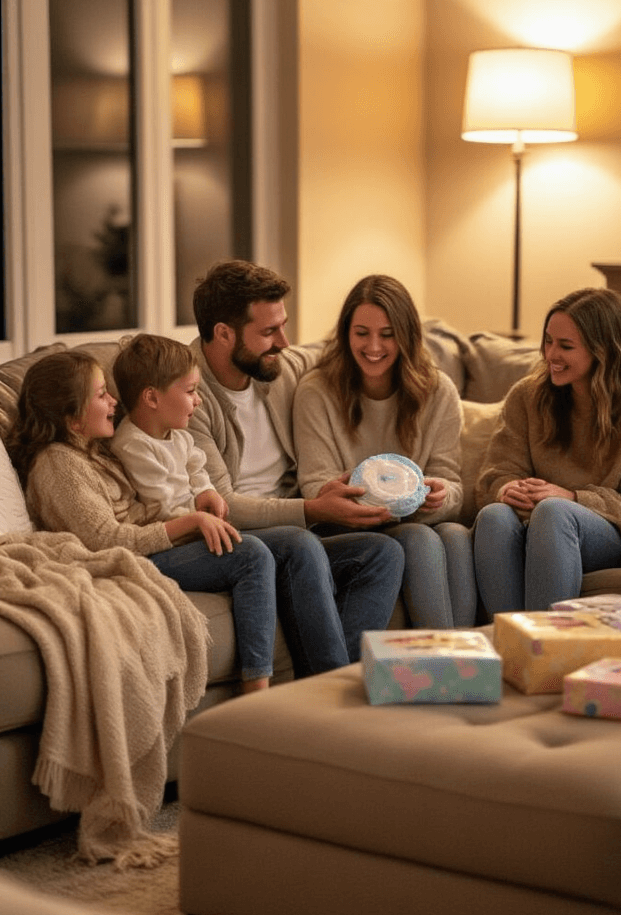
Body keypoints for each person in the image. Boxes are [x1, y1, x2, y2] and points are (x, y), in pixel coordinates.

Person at [7, 349, 363, 688]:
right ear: (72, 417)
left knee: (299, 544)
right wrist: (191, 523)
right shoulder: (58, 463)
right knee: (250, 555)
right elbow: (105, 539)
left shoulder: (90, 452)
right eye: (102, 395)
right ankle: (257, 687)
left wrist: (198, 509)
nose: (114, 402)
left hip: (154, 543)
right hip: (132, 557)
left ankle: (328, 678)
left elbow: (151, 501)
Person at [188, 260, 405, 661]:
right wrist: (312, 508)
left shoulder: (280, 368)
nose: (285, 343)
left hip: (298, 523)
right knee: (300, 544)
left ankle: (347, 680)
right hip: (235, 537)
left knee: (384, 552)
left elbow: (353, 357)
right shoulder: (186, 394)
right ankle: (325, 691)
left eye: (283, 326)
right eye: (269, 332)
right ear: (223, 333)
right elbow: (225, 506)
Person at [472, 287, 621, 616]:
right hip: (536, 519)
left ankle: (547, 651)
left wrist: (572, 498)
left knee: (554, 513)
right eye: (548, 341)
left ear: (603, 350)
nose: (551, 355)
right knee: (493, 517)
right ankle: (510, 646)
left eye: (566, 346)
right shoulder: (527, 395)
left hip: (613, 530)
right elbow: (494, 474)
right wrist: (507, 489)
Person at [292, 274, 477, 628]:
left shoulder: (438, 391)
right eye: (362, 333)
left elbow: (451, 483)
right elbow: (316, 486)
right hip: (345, 526)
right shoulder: (316, 392)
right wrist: (378, 503)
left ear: (406, 336)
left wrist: (439, 494)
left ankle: (466, 657)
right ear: (346, 333)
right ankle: (443, 660)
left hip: (416, 516)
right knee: (419, 537)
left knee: (455, 535)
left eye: (387, 334)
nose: (373, 346)